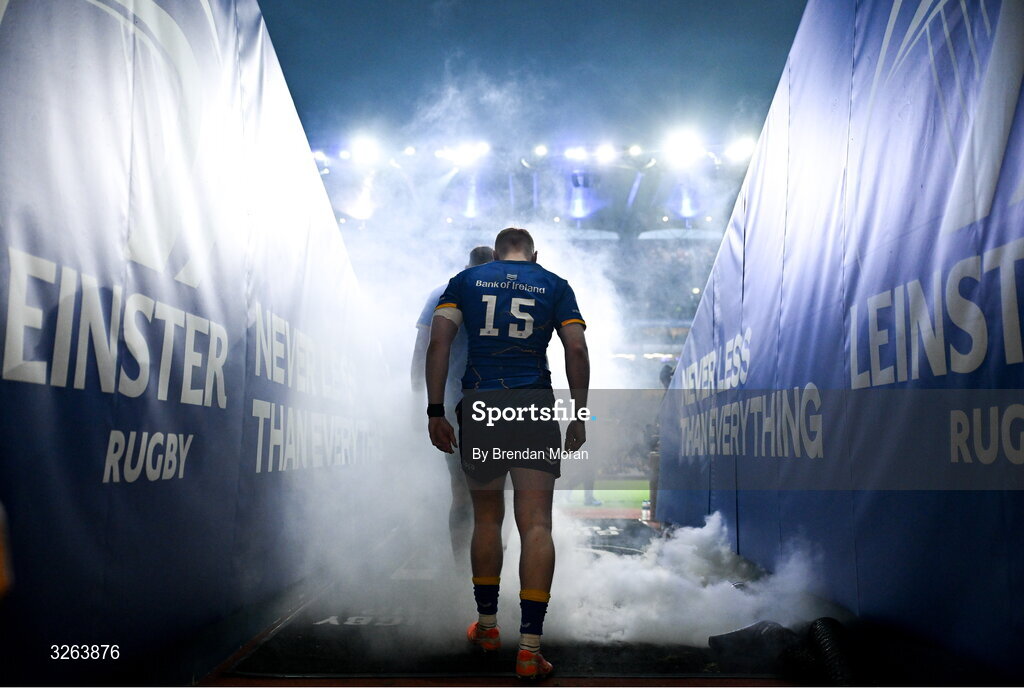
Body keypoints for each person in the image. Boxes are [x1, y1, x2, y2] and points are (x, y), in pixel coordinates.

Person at [425, 227, 589, 680]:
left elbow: (439, 343)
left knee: (486, 519)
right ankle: (530, 650)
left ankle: (489, 628)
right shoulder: (553, 283)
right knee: (536, 524)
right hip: (533, 406)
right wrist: (580, 414)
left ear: (494, 254)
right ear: (534, 254)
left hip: (480, 404)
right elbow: (575, 346)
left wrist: (435, 409)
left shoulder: (465, 281)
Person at [411, 246, 493, 563]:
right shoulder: (510, 293)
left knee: (462, 492)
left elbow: (423, 353)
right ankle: (491, 570)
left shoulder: (442, 293)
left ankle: (464, 575)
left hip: (458, 406)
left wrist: (421, 404)